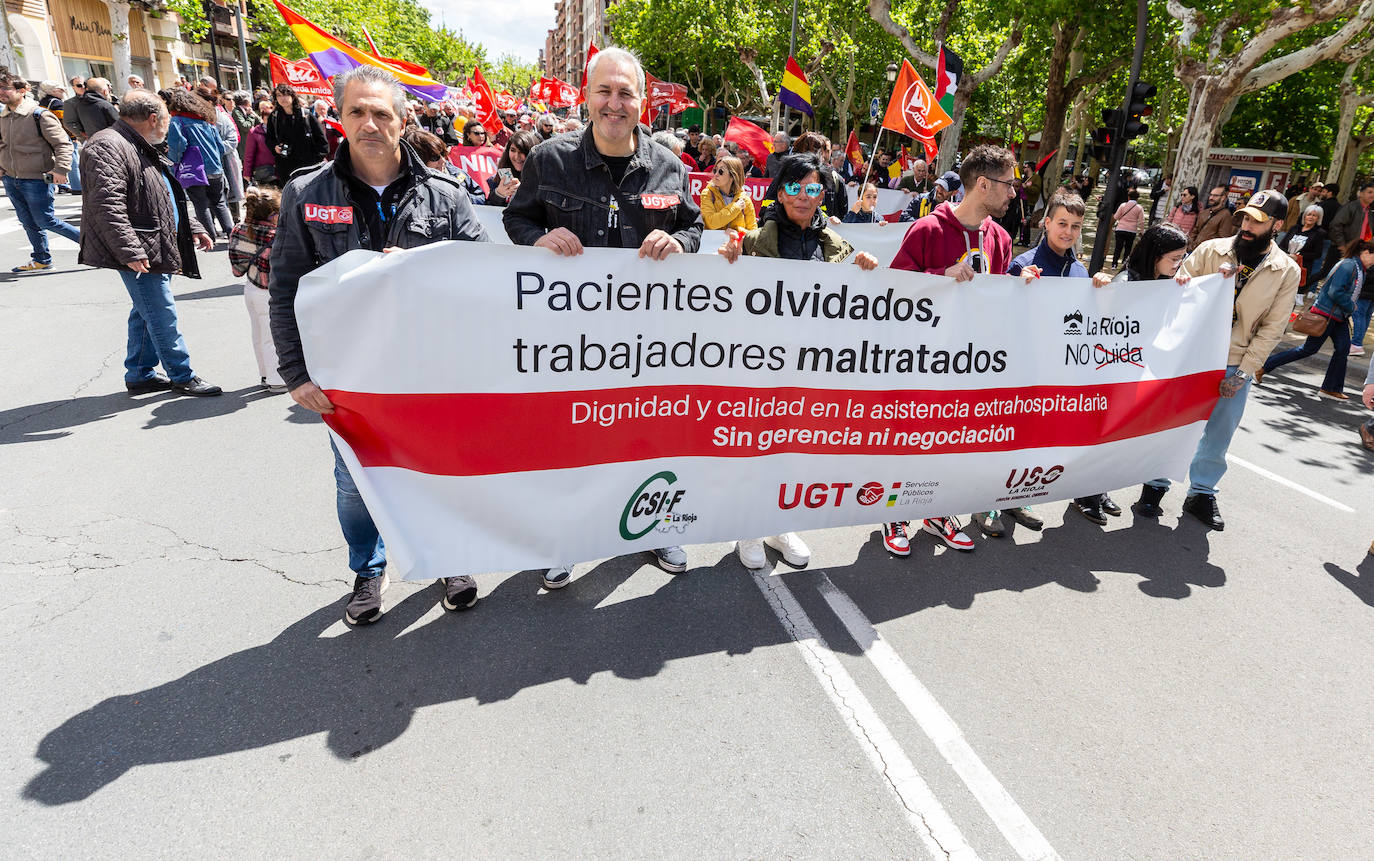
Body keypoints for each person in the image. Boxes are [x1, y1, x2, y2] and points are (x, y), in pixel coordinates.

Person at [270, 65, 491, 625]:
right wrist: (295, 375)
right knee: (355, 483)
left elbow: (485, 275)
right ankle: (369, 570)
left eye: (382, 113)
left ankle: (450, 557)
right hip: (349, 379)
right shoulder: (306, 191)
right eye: (357, 112)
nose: (369, 124)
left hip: (431, 373)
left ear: (403, 119)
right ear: (339, 119)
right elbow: (285, 290)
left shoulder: (446, 196)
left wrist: (421, 271)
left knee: (440, 470)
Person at [503, 45, 703, 590]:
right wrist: (538, 237)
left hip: (647, 342)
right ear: (586, 95)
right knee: (572, 440)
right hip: (571, 340)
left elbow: (694, 230)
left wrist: (679, 240)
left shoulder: (670, 168)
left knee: (646, 438)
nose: (615, 103)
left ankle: (653, 526)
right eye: (605, 91)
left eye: (626, 93)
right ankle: (568, 537)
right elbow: (516, 221)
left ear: (643, 103)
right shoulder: (550, 159)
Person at [716, 152, 880, 569]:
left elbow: (858, 305)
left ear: (822, 193)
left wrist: (865, 267)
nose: (802, 197)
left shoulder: (838, 247)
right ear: (780, 191)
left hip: (810, 372)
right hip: (762, 369)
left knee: (794, 450)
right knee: (758, 446)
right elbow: (725, 292)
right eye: (794, 187)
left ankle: (779, 525)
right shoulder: (753, 242)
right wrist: (728, 256)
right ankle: (749, 529)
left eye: (811, 189)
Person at [888, 144, 1044, 550]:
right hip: (922, 362)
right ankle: (891, 515)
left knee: (948, 443)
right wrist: (941, 276)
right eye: (1009, 185)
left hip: (972, 365)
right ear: (982, 184)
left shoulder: (1002, 237)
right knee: (908, 441)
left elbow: (998, 294)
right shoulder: (926, 230)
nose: (1014, 194)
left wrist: (1020, 280)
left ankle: (936, 512)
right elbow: (894, 293)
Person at [1135, 190, 1300, 529]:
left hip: (1236, 360)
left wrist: (1243, 372)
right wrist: (1190, 281)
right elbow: (1175, 293)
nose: (1248, 226)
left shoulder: (1285, 270)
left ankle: (1202, 492)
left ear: (1278, 225)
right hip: (1192, 356)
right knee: (1175, 423)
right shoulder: (1211, 250)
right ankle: (1155, 485)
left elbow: (1273, 327)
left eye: (1258, 221)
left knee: (1219, 433)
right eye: (1246, 218)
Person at [79, 89, 219, 397]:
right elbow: (107, 205)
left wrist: (192, 225)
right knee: (159, 310)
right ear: (153, 118)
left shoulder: (134, 142)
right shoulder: (108, 145)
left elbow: (163, 192)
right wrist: (130, 249)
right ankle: (182, 374)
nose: (169, 125)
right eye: (167, 119)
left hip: (150, 241)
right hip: (139, 245)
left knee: (146, 309)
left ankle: (140, 372)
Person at [1257, 239, 1373, 399]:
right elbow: (1335, 291)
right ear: (1366, 253)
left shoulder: (1357, 268)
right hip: (1328, 314)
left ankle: (1331, 388)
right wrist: (1351, 306)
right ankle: (1263, 367)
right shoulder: (1349, 266)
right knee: (1309, 349)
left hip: (1338, 316)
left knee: (1342, 349)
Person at [0, 74, 81, 272]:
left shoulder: (39, 115)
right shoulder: (4, 117)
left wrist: (61, 169)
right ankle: (41, 259)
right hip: (11, 178)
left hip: (36, 179)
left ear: (22, 90)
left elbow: (63, 144)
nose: (1, 92)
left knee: (46, 220)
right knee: (28, 222)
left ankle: (98, 246)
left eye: (5, 88)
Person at [228, 185, 285, 393]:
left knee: (259, 335)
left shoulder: (239, 230)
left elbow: (236, 270)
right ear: (273, 215)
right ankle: (277, 379)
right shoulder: (278, 236)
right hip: (271, 291)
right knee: (274, 337)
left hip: (251, 288)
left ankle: (265, 374)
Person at [166, 88, 234, 241]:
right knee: (220, 203)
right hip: (215, 167)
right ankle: (231, 234)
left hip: (194, 169)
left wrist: (173, 162)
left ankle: (210, 237)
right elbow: (220, 147)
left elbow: (178, 147)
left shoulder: (177, 121)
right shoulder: (205, 120)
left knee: (201, 204)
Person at [401, 127, 486, 205]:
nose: (443, 160)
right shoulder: (406, 189)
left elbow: (480, 196)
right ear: (417, 160)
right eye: (434, 157)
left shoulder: (458, 173)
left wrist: (460, 199)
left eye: (443, 154)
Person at [265, 84, 327, 185]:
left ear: (292, 96)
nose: (282, 98)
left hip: (307, 166)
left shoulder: (306, 114)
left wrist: (316, 159)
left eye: (285, 95)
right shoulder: (274, 116)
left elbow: (322, 141)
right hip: (285, 166)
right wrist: (275, 147)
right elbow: (269, 139)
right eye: (279, 95)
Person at [1277, 205, 1328, 295]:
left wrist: (1298, 257)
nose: (1311, 217)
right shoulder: (1294, 228)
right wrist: (1287, 255)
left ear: (1318, 218)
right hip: (1284, 262)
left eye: (1314, 215)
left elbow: (1317, 254)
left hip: (1301, 267)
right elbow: (1282, 245)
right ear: (1304, 216)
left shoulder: (1319, 233)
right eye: (1309, 214)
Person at [699, 154, 757, 231]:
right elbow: (711, 223)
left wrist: (738, 232)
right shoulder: (708, 194)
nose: (716, 174)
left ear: (733, 176)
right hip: (713, 242)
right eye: (715, 170)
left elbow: (753, 232)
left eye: (721, 171)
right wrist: (736, 207)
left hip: (736, 242)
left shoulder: (745, 199)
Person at [483, 129, 537, 206]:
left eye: (522, 151)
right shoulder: (496, 180)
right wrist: (498, 194)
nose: (516, 157)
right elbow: (487, 209)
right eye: (513, 150)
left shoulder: (542, 181)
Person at [1190, 184, 1237, 250]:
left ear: (1223, 198)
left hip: (1208, 252)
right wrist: (1190, 246)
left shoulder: (1226, 215)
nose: (1211, 198)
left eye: (1215, 196)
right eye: (1211, 195)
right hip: (1194, 250)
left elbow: (1222, 239)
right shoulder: (1205, 212)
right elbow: (1195, 231)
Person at [243, 99, 276, 185]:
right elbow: (249, 154)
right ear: (263, 118)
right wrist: (247, 173)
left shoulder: (280, 130)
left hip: (280, 170)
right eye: (267, 119)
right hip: (263, 171)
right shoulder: (254, 132)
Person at [1110, 188, 1145, 267]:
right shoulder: (1139, 208)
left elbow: (1116, 216)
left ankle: (1114, 263)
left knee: (1118, 247)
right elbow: (1141, 221)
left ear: (1128, 197)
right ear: (1137, 198)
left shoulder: (1123, 205)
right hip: (1131, 230)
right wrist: (1141, 231)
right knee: (1128, 248)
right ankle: (1124, 263)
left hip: (1120, 228)